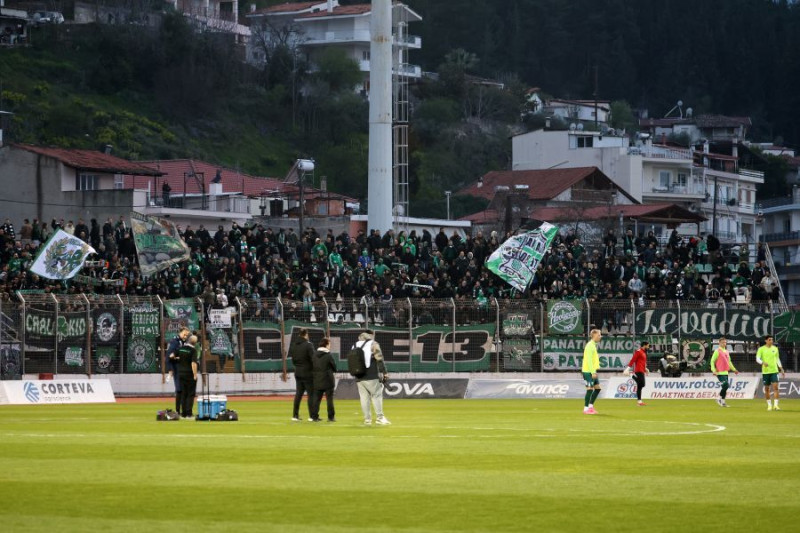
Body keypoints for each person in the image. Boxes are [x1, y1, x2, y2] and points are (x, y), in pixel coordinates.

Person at [354, 329, 390, 425]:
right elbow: (379, 358)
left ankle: (367, 419)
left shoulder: (355, 344)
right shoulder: (373, 344)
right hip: (371, 374)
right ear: (370, 335)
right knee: (376, 395)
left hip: (358, 376)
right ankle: (380, 417)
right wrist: (384, 372)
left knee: (364, 398)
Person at [289, 327, 315, 421]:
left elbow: (293, 359)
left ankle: (295, 415)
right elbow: (313, 359)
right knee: (311, 395)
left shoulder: (294, 345)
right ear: (306, 334)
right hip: (308, 372)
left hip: (298, 371)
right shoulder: (308, 345)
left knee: (298, 394)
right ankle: (312, 416)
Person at [310, 337, 337, 422]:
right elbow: (334, 367)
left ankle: (314, 416)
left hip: (317, 379)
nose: (330, 346)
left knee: (316, 399)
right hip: (328, 380)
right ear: (326, 344)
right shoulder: (328, 355)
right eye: (329, 344)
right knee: (329, 399)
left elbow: (312, 366)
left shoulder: (314, 355)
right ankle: (331, 417)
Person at [756, 335, 785, 411]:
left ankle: (776, 405)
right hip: (765, 372)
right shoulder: (761, 349)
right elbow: (757, 359)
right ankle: (769, 405)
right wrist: (762, 362)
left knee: (776, 387)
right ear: (766, 341)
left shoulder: (775, 349)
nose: (771, 341)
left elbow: (777, 359)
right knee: (767, 389)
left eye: (772, 340)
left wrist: (781, 368)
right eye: (769, 340)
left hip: (774, 371)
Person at [175, 335, 200, 418]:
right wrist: (195, 374)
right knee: (190, 394)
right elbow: (193, 363)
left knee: (183, 394)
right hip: (189, 374)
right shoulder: (193, 350)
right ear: (195, 343)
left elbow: (173, 356)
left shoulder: (181, 349)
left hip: (181, 373)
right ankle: (189, 413)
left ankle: (183, 413)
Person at [166, 327, 190, 413]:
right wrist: (170, 370)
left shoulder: (185, 342)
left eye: (187, 335)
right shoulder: (174, 342)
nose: (185, 336)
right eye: (184, 334)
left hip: (184, 368)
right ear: (180, 332)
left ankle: (184, 410)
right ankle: (178, 410)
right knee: (179, 389)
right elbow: (169, 356)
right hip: (177, 367)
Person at [710, 337, 738, 407]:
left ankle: (723, 402)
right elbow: (712, 361)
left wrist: (734, 369)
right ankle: (719, 398)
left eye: (725, 342)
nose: (724, 343)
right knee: (726, 385)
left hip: (726, 372)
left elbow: (729, 362)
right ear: (719, 343)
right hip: (719, 372)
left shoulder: (727, 352)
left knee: (725, 387)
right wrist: (713, 370)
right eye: (722, 342)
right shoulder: (717, 351)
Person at [582, 329, 602, 414]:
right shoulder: (590, 346)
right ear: (594, 335)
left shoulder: (593, 345)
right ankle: (586, 409)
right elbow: (589, 360)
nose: (600, 336)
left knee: (597, 389)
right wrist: (593, 372)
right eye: (599, 335)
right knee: (589, 389)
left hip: (592, 371)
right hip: (588, 371)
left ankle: (590, 407)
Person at [625, 340, 650, 406]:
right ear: (644, 345)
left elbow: (643, 362)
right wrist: (627, 369)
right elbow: (633, 360)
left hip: (642, 370)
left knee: (640, 386)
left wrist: (646, 368)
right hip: (638, 370)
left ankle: (639, 402)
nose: (648, 347)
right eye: (648, 345)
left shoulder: (644, 353)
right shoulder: (638, 352)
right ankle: (632, 375)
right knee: (642, 384)